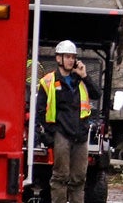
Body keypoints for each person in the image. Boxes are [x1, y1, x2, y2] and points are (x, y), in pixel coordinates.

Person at [36, 40, 100, 203]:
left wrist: (84, 75)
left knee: (79, 178)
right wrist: (48, 135)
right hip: (61, 135)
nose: (71, 60)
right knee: (60, 177)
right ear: (59, 58)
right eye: (68, 57)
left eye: (73, 57)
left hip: (80, 135)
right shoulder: (48, 81)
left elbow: (96, 94)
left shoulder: (80, 80)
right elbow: (40, 112)